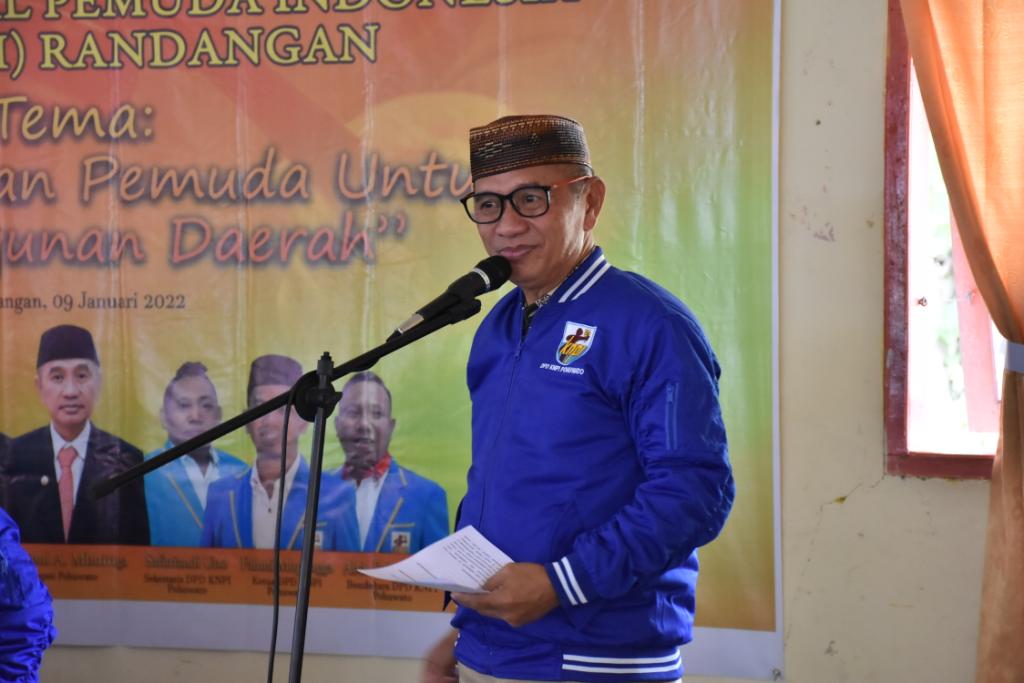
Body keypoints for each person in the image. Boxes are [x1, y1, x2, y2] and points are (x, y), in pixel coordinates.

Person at [423, 115, 735, 683]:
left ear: (589, 202)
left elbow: (695, 491)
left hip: (598, 659)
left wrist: (562, 583)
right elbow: (518, 493)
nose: (506, 226)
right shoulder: (497, 325)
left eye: (531, 199)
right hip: (493, 647)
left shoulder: (649, 323)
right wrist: (465, 630)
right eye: (488, 205)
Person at [4, 325, 149, 545]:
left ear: (98, 382)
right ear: (39, 387)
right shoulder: (14, 456)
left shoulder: (125, 458)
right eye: (57, 377)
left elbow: (136, 549)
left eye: (81, 376)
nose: (71, 391)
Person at [201, 354, 359, 551]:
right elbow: (207, 565)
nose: (270, 421)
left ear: (304, 422)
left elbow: (349, 567)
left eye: (282, 410)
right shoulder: (221, 494)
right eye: (260, 408)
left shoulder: (336, 494)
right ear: (246, 420)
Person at [333, 371, 448, 553]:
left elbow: (437, 567)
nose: (364, 424)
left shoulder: (427, 496)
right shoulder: (315, 491)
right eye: (353, 413)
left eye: (376, 413)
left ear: (391, 426)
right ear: (337, 424)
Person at [145, 362, 247, 547]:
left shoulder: (241, 472)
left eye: (206, 406)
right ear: (163, 417)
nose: (195, 416)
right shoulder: (146, 472)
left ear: (219, 415)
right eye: (184, 405)